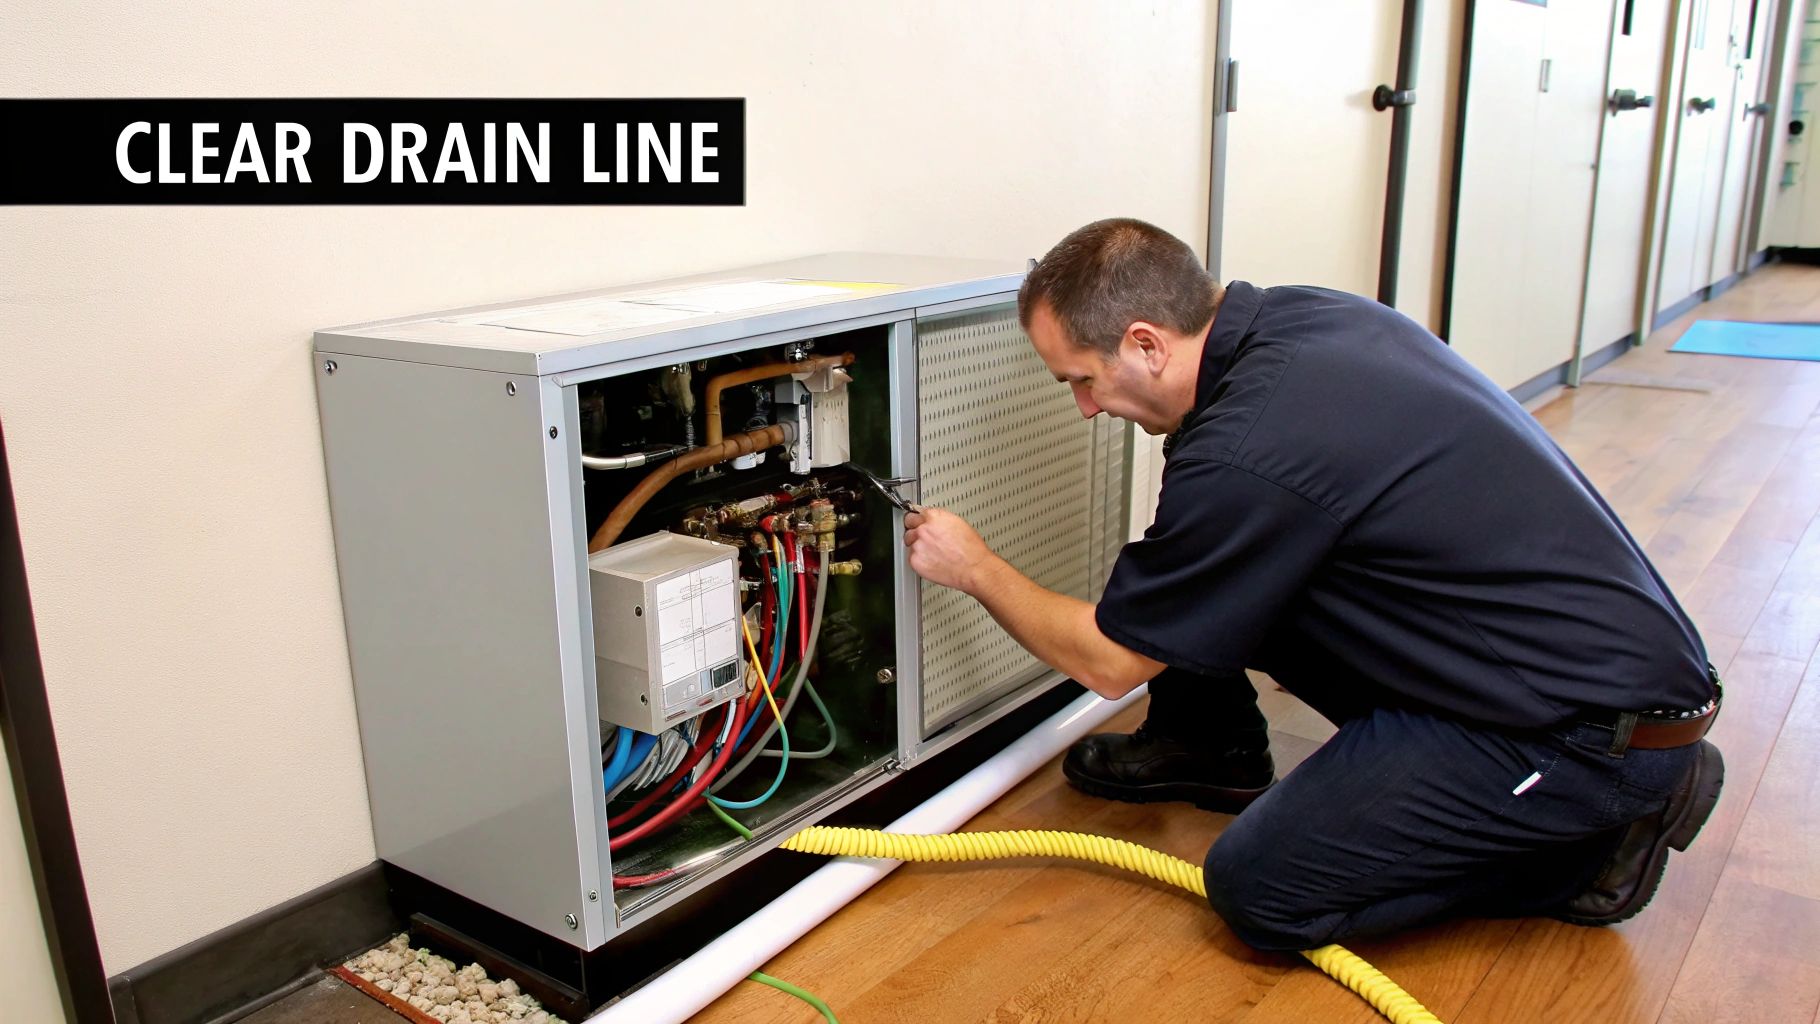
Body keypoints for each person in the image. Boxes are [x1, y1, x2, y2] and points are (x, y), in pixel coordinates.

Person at [901, 217, 1724, 951]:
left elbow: (1112, 665)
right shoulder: (1303, 322)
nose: (1083, 407)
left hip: (1581, 732)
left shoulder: (1250, 450)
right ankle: (1211, 746)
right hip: (1548, 659)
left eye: (1080, 379)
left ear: (1148, 343)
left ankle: (1587, 847)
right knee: (1197, 559)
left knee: (1261, 891)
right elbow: (1198, 566)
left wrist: (975, 568)